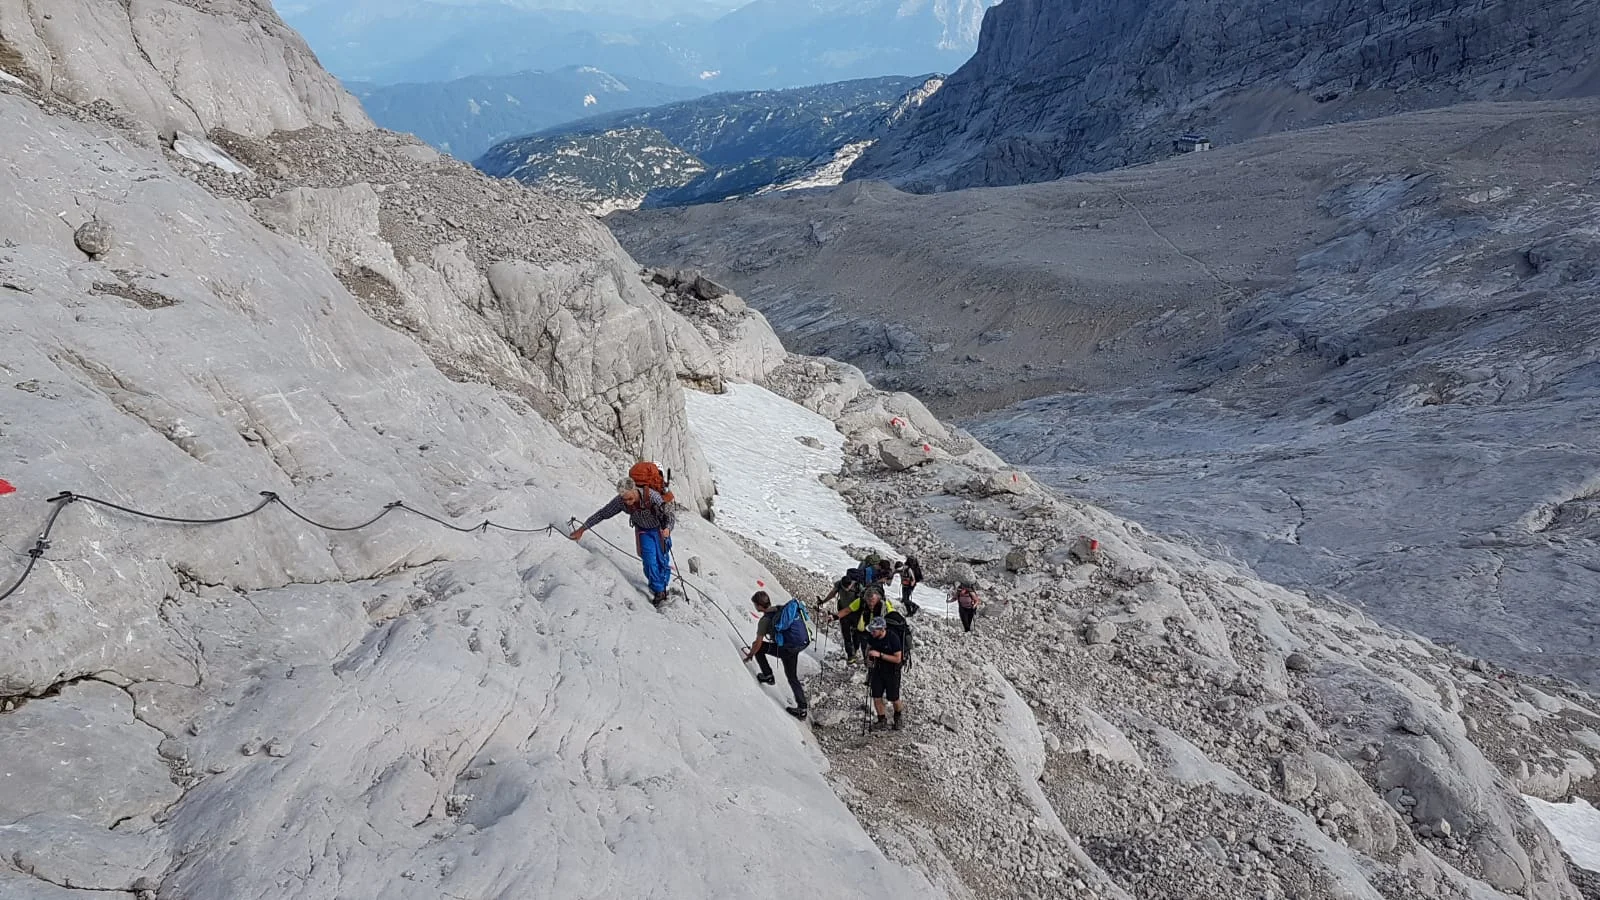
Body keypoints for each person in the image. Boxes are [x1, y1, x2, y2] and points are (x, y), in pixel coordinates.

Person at [570, 474, 676, 606]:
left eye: (630, 499)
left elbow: (670, 514)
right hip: (643, 531)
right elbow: (603, 513)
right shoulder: (621, 501)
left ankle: (663, 585)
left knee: (662, 560)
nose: (628, 502)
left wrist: (668, 529)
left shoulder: (652, 497)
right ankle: (659, 591)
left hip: (660, 530)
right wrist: (582, 529)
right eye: (625, 500)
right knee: (649, 561)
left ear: (635, 490)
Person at [743, 591, 809, 720]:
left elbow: (758, 643)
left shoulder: (764, 621)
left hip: (786, 648)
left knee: (759, 648)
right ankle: (802, 708)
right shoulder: (780, 609)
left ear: (758, 606)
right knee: (792, 677)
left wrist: (750, 654)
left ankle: (768, 675)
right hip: (796, 646)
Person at [833, 583, 911, 668]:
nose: (871, 605)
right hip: (867, 632)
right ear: (865, 599)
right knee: (867, 653)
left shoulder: (884, 605)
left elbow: (892, 616)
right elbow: (847, 610)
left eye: (873, 602)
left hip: (879, 635)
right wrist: (834, 617)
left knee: (876, 656)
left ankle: (873, 670)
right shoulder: (861, 601)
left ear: (878, 598)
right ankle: (869, 669)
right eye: (869, 603)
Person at [862, 616, 906, 730]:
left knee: (893, 697)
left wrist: (880, 655)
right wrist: (868, 660)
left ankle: (898, 716)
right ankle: (882, 719)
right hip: (877, 669)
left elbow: (898, 659)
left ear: (882, 629)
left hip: (892, 671)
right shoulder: (872, 637)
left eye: (874, 630)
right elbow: (868, 649)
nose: (872, 632)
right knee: (876, 696)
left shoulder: (893, 638)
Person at [819, 568, 866, 663]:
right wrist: (823, 601)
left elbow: (863, 599)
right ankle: (851, 655)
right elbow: (832, 594)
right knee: (846, 634)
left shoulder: (857, 586)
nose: (847, 589)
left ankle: (855, 650)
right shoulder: (840, 584)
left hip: (855, 612)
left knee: (856, 633)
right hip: (844, 613)